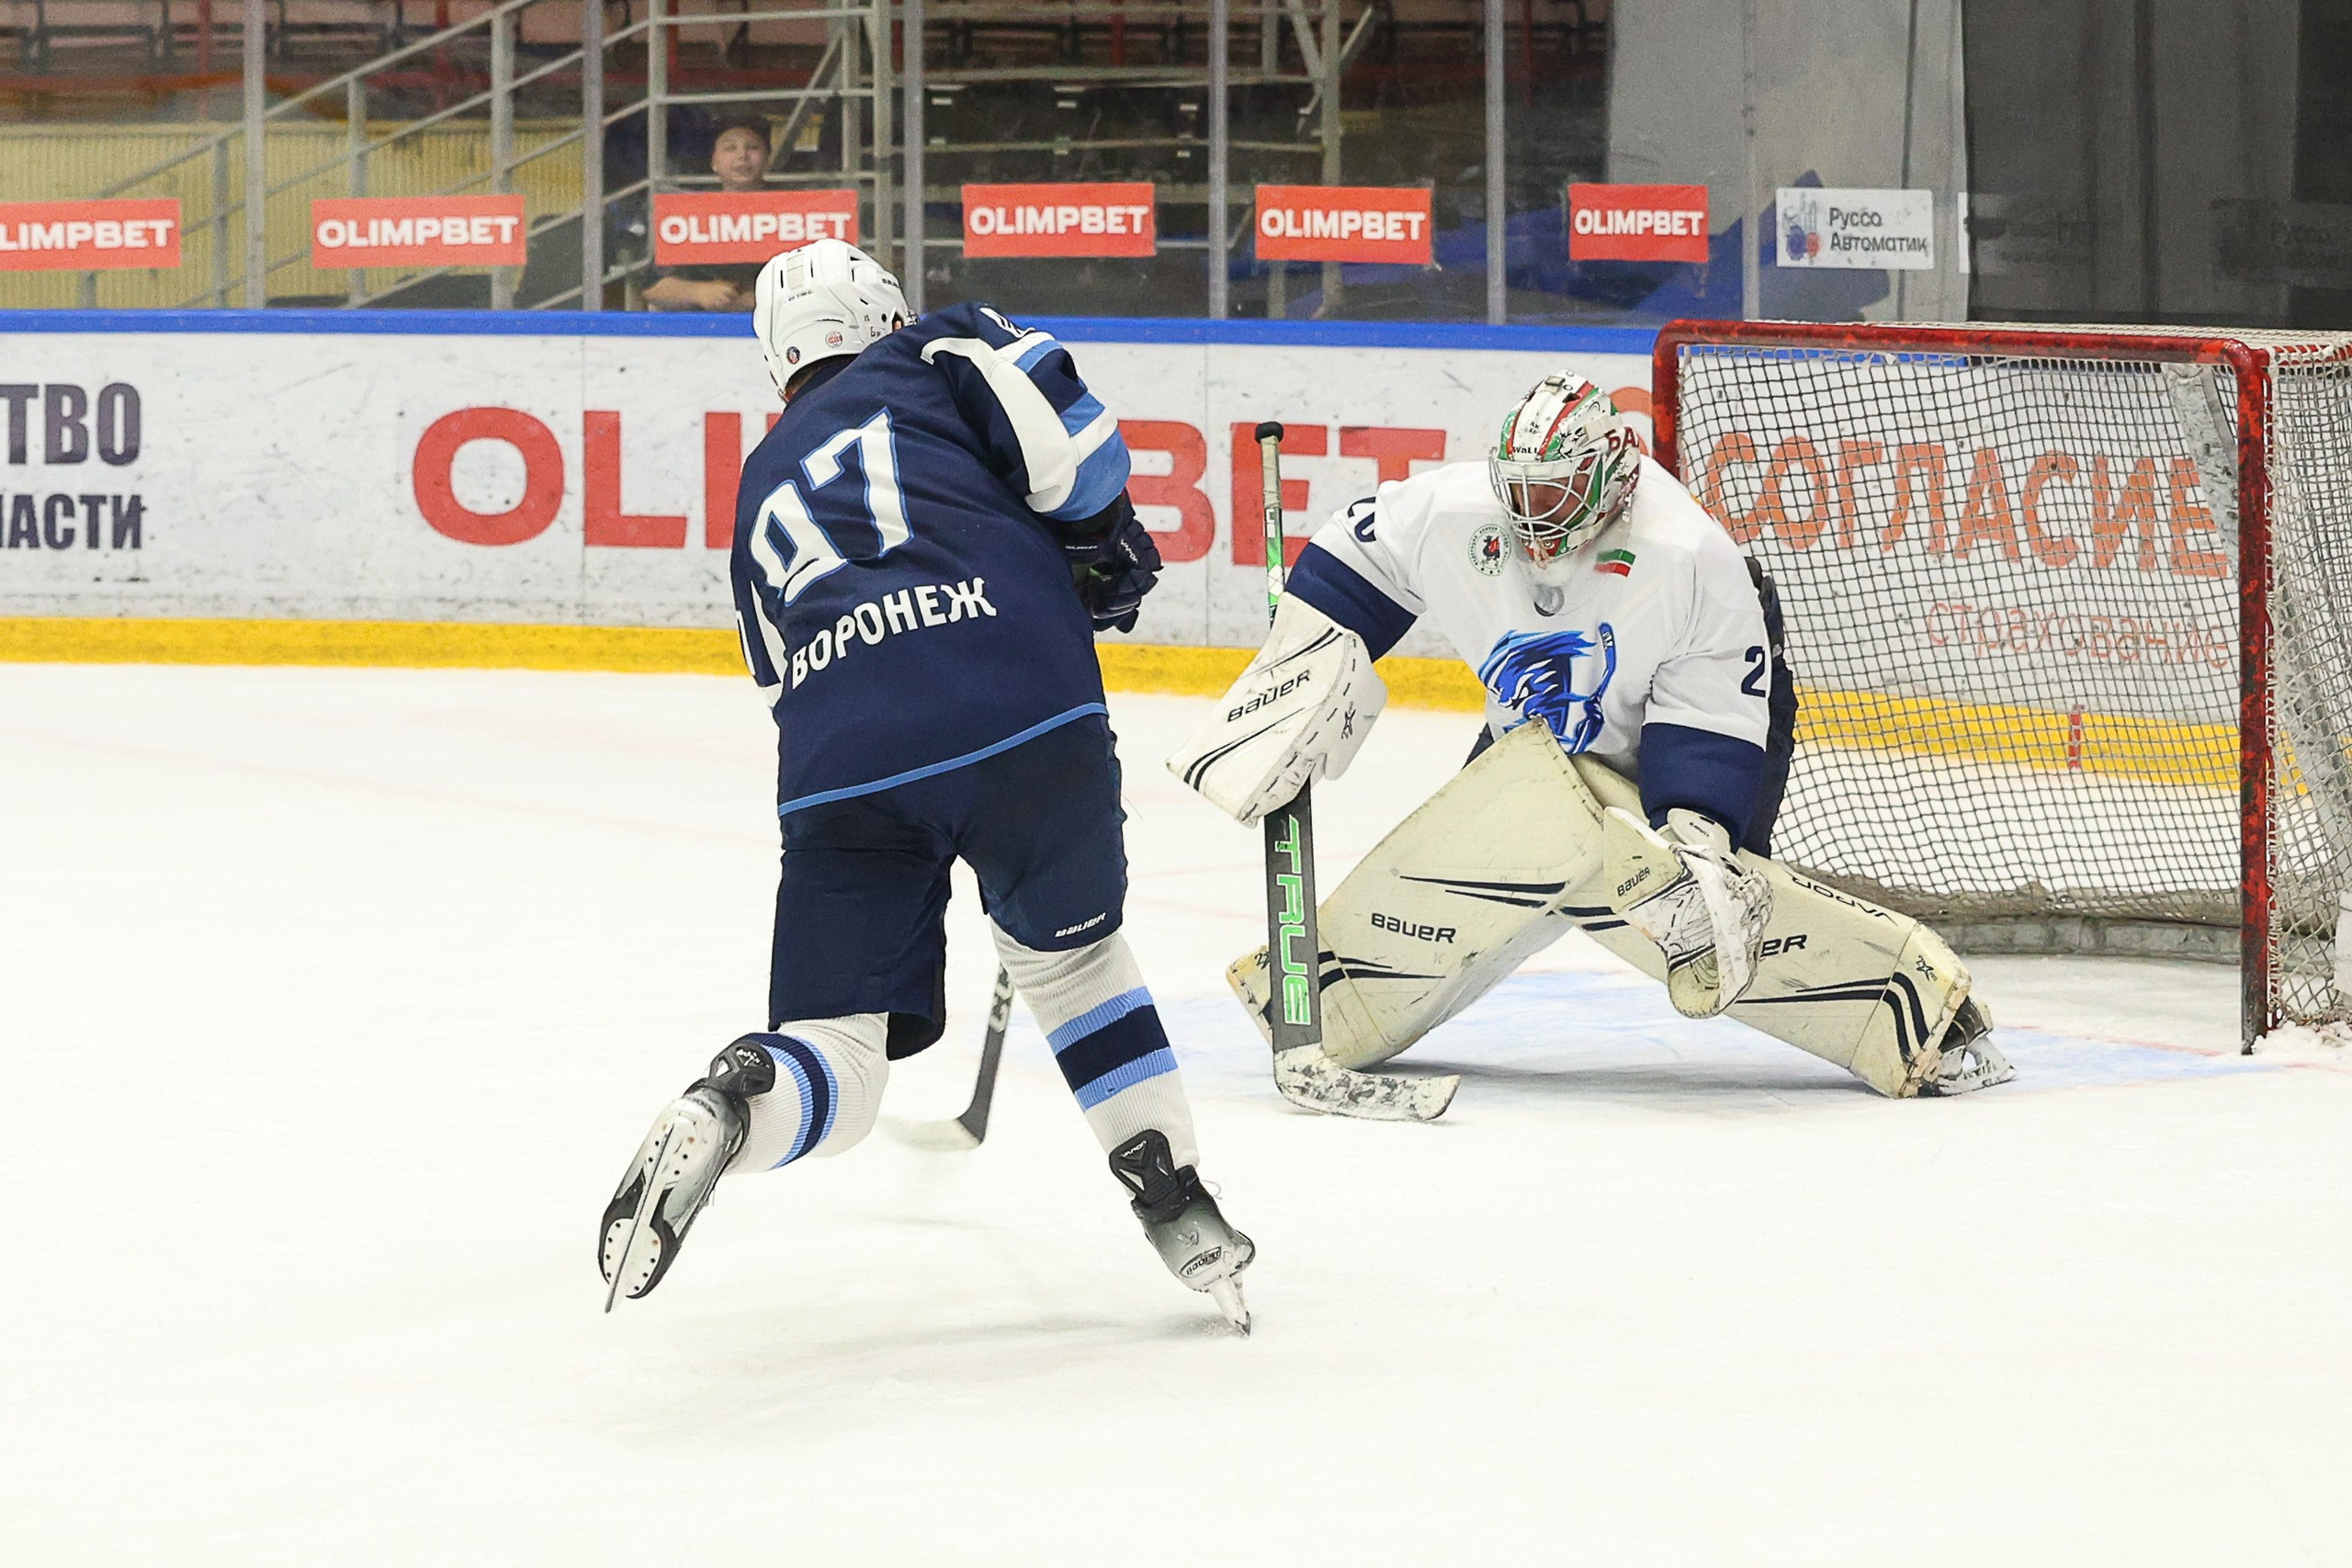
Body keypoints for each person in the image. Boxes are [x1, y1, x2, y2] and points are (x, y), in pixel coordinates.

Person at [600, 240, 1255, 1329]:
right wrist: (1092, 546)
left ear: (779, 355)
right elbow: (1078, 451)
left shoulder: (759, 476)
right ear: (883, 308)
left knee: (838, 1052)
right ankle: (1173, 1199)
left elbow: (773, 658)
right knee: (1074, 960)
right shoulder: (943, 345)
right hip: (1018, 710)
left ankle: (729, 1102)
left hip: (837, 767)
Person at [1168, 375, 2014, 1101]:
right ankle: (1334, 1005)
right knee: (1503, 851)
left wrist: (1694, 832)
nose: (1533, 517)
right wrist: (1302, 672)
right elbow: (1360, 554)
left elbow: (1711, 723)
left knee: (1688, 900)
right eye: (1521, 493)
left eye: (1555, 495)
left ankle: (1935, 1022)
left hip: (1684, 737)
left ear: (1611, 476)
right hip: (1534, 739)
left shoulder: (1687, 555)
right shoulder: (1457, 510)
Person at [640, 116, 776, 312]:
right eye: (730, 148)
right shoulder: (689, 215)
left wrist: (765, 299)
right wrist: (698, 292)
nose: (742, 155)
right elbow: (653, 288)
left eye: (753, 147)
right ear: (714, 162)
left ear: (767, 159)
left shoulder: (799, 213)